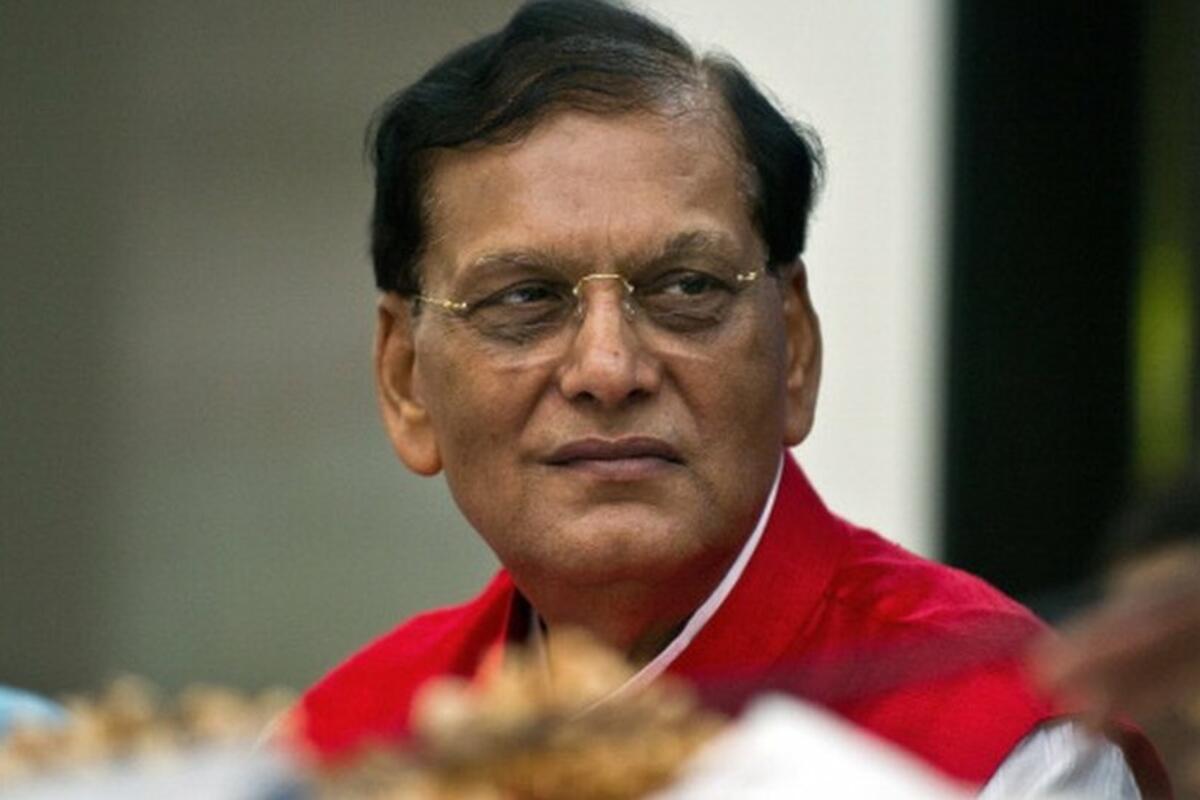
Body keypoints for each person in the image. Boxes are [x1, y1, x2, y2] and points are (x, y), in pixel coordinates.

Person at [295, 1, 1167, 795]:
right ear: (406, 382)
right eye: (524, 298)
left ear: (796, 352)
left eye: (686, 286)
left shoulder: (1011, 744)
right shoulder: (341, 747)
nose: (608, 368)